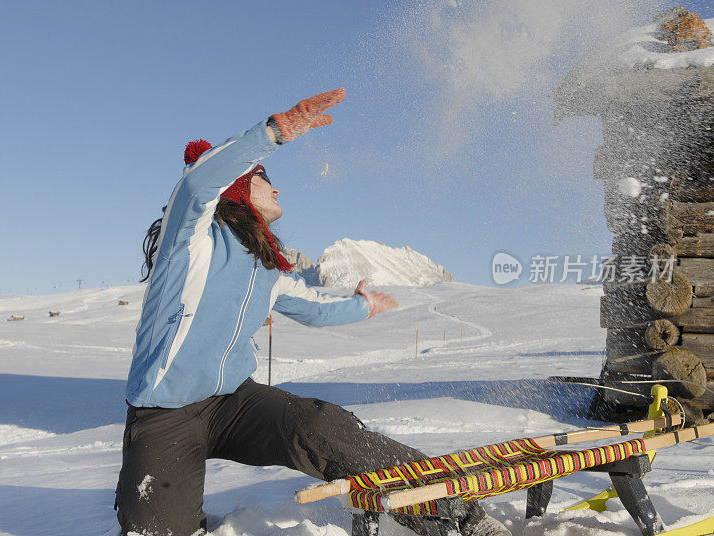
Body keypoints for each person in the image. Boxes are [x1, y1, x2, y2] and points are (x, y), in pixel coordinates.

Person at [115, 89, 510, 536]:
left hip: (232, 402)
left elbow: (313, 309)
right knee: (157, 529)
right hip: (164, 412)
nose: (277, 187)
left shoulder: (267, 264)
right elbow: (196, 184)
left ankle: (453, 512)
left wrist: (362, 306)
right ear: (240, 186)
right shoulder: (191, 238)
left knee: (322, 426)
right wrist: (272, 133)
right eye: (265, 178)